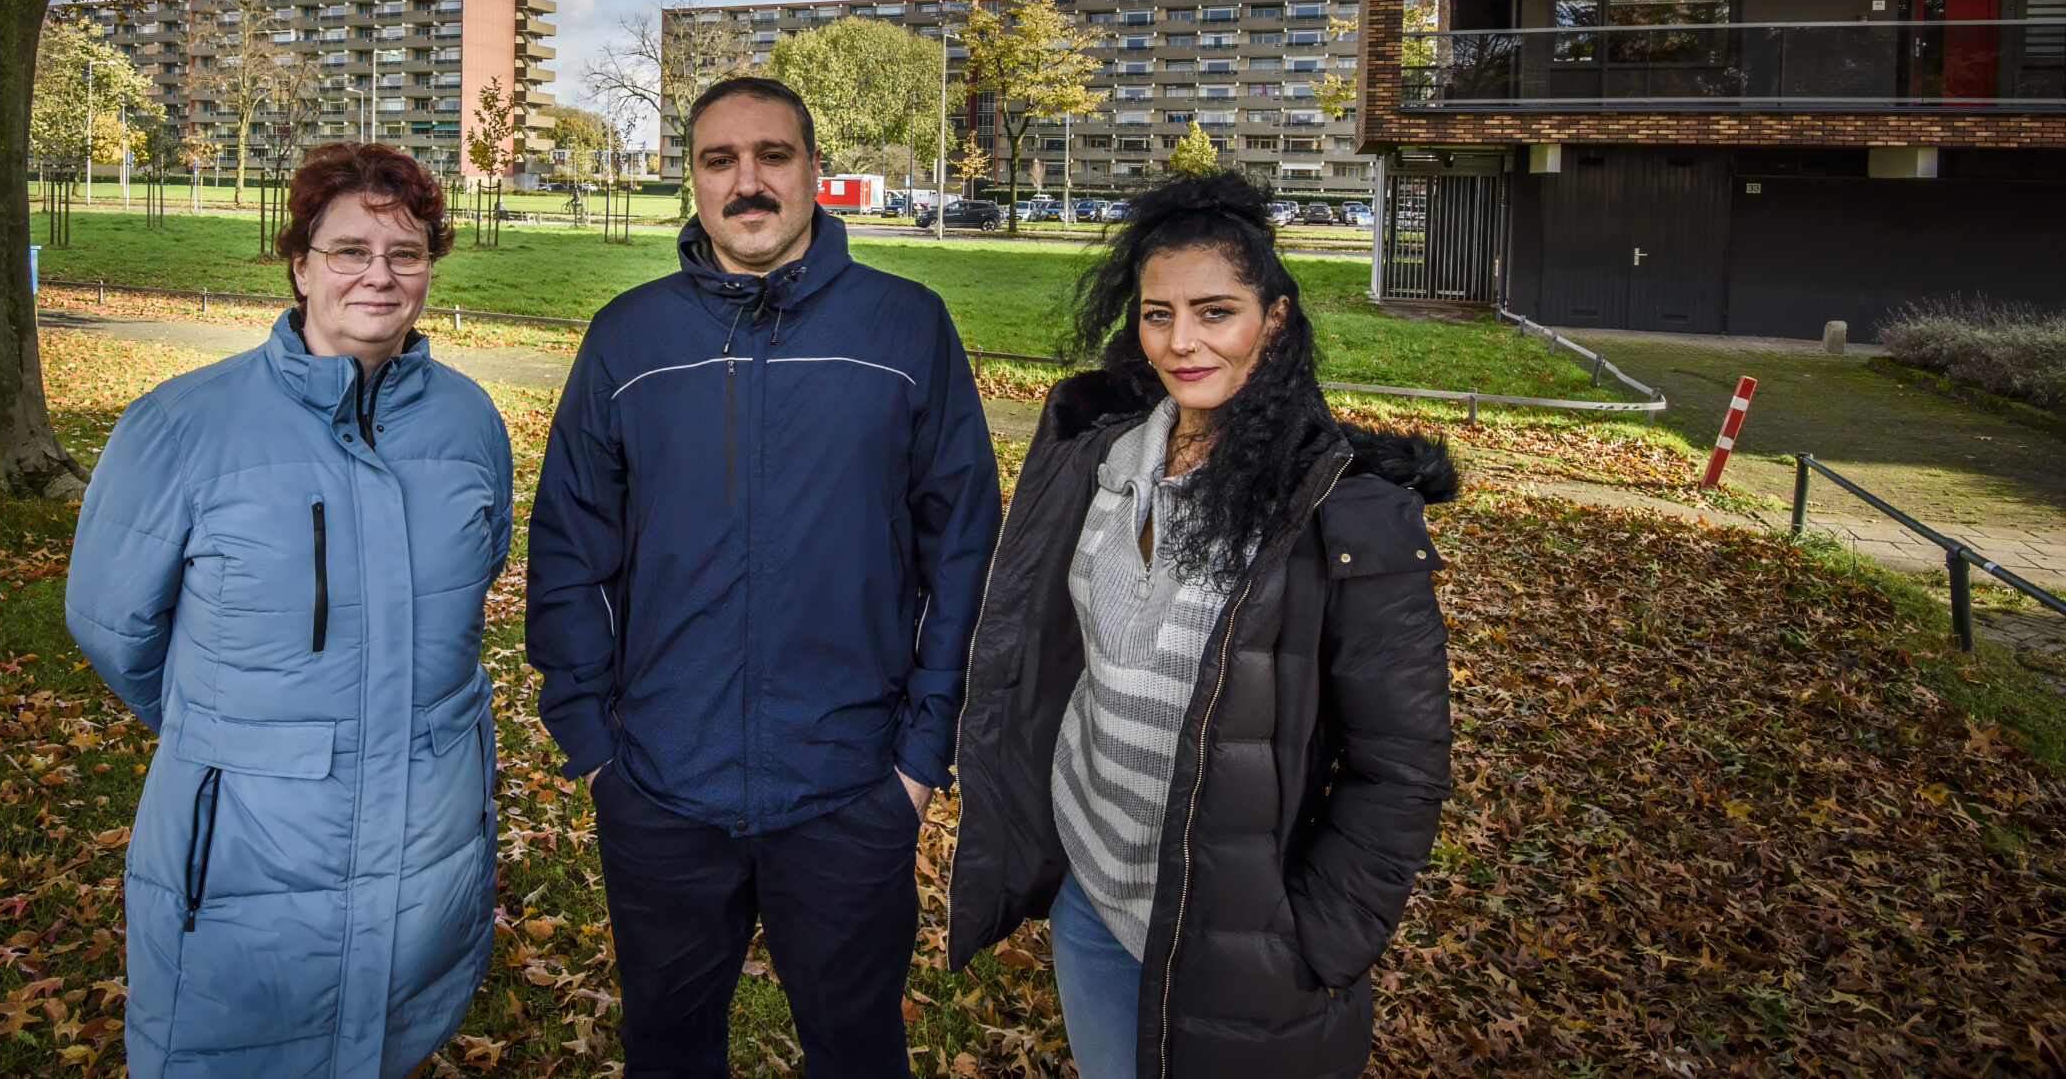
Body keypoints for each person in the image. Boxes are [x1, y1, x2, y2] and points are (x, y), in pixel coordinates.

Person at [526, 76, 1003, 1079]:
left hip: (849, 786)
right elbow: (570, 545)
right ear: (692, 181)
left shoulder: (905, 328)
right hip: (658, 785)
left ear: (813, 173)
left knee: (857, 1050)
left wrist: (921, 758)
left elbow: (965, 553)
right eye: (718, 159)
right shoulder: (629, 337)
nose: (747, 180)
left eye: (772, 155)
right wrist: (594, 747)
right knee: (666, 1046)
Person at [945, 172, 1455, 1079]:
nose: (1181, 341)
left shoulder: (1347, 513)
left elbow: (1402, 765)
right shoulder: (1097, 457)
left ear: (1278, 318)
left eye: (1215, 312)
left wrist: (1316, 946)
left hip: (1238, 946)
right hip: (1092, 899)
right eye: (1157, 313)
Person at [66, 143, 513, 1079]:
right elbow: (114, 628)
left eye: (407, 251)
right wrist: (236, 737)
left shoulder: (471, 422)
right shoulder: (183, 425)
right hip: (244, 856)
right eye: (350, 250)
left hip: (424, 845)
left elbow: (478, 579)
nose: (379, 275)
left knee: (390, 1043)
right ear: (301, 264)